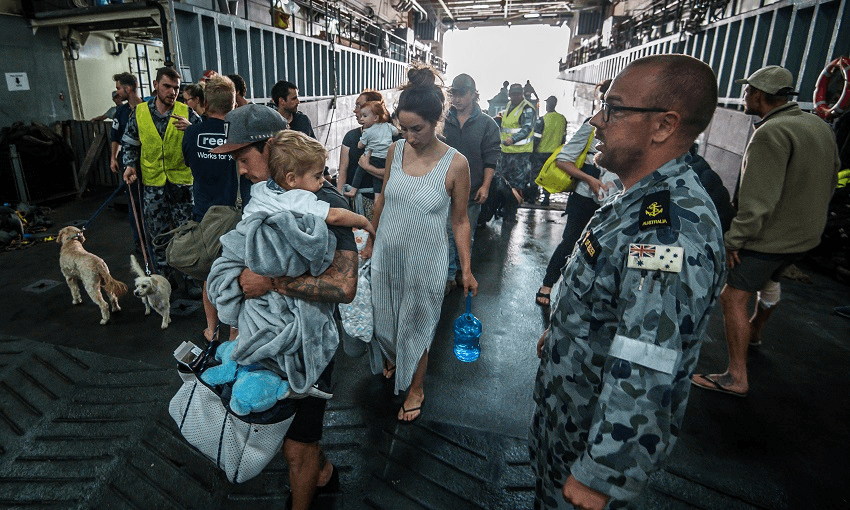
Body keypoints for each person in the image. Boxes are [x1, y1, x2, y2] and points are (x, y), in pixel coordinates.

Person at [530, 54, 727, 509]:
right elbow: (613, 302)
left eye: (614, 108)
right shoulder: (634, 197)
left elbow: (649, 357)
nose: (599, 120)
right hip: (566, 421)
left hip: (591, 450)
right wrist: (560, 331)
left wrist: (602, 473)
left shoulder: (670, 228)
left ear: (663, 126)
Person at [209, 105, 358, 510]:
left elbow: (344, 287)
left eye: (244, 158)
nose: (241, 170)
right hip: (266, 338)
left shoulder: (319, 201)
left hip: (308, 345)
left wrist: (272, 282)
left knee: (296, 449)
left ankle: (309, 487)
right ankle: (322, 473)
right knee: (286, 436)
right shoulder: (266, 193)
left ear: (271, 146)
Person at [691, 65, 840, 397]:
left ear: (758, 95)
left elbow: (758, 202)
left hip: (771, 237)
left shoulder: (770, 133)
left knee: (733, 297)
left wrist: (734, 240)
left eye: (747, 92)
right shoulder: (818, 124)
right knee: (769, 280)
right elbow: (832, 177)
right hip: (806, 235)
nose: (745, 96)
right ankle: (755, 331)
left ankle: (735, 376)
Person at [361, 63, 479, 422]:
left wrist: (467, 269)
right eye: (404, 128)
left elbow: (460, 221)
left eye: (418, 129)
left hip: (425, 261)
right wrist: (369, 240)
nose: (410, 136)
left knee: (417, 322)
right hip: (386, 254)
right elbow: (382, 199)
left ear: (436, 120)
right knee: (383, 319)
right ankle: (398, 357)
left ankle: (416, 387)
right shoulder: (396, 151)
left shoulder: (456, 165)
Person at [535, 81, 619, 308]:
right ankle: (548, 283)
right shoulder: (592, 128)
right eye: (604, 102)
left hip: (615, 201)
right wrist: (590, 179)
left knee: (605, 249)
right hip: (585, 197)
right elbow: (564, 159)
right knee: (570, 240)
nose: (604, 111)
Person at [181, 75, 251, 342]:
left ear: (206, 101)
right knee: (236, 274)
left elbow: (190, 163)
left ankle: (211, 329)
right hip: (236, 216)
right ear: (233, 103)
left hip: (204, 215)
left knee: (209, 274)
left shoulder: (191, 132)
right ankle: (235, 332)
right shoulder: (239, 135)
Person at [122, 66, 202, 281]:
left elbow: (204, 141)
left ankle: (189, 277)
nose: (172, 92)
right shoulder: (139, 113)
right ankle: (164, 277)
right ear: (156, 85)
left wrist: (192, 130)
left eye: (176, 88)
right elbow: (129, 143)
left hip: (182, 184)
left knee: (186, 233)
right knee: (157, 233)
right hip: (153, 184)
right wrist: (129, 165)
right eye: (167, 86)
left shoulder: (186, 113)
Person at [442, 73, 500, 293]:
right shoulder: (443, 119)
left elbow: (491, 157)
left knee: (466, 233)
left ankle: (458, 270)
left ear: (473, 95)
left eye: (461, 94)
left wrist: (485, 186)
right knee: (446, 232)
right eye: (453, 94)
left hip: (472, 190)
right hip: (444, 188)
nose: (456, 99)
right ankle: (448, 274)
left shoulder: (487, 124)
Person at [110, 72, 145, 253]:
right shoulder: (121, 112)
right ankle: (139, 240)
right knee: (134, 203)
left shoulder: (147, 108)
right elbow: (115, 137)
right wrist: (113, 158)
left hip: (147, 163)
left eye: (118, 88)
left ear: (128, 88)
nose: (117, 92)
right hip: (128, 165)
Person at [337, 90, 384, 218]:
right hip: (354, 201)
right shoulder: (351, 137)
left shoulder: (389, 137)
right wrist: (340, 202)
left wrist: (367, 167)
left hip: (380, 201)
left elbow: (392, 174)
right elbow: (343, 171)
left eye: (359, 106)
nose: (355, 111)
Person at [496, 83, 536, 223]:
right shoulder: (509, 105)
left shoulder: (527, 109)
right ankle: (503, 208)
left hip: (520, 154)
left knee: (516, 184)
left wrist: (512, 139)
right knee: (503, 182)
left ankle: (511, 214)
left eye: (518, 94)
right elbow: (508, 123)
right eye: (513, 94)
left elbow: (526, 129)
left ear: (522, 94)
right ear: (510, 95)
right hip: (506, 152)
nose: (516, 96)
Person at [345, 100, 397, 198]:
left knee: (359, 171)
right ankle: (377, 198)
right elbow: (396, 133)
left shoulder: (367, 131)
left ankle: (353, 190)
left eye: (365, 116)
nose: (362, 119)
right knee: (377, 179)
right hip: (385, 158)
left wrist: (360, 142)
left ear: (375, 118)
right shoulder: (387, 126)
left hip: (372, 157)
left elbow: (361, 145)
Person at [531, 95, 567, 205]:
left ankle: (532, 198)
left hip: (540, 152)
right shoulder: (562, 119)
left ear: (548, 105)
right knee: (547, 176)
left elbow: (536, 138)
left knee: (535, 175)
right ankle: (546, 199)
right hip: (554, 154)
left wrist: (532, 152)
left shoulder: (542, 119)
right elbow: (563, 138)